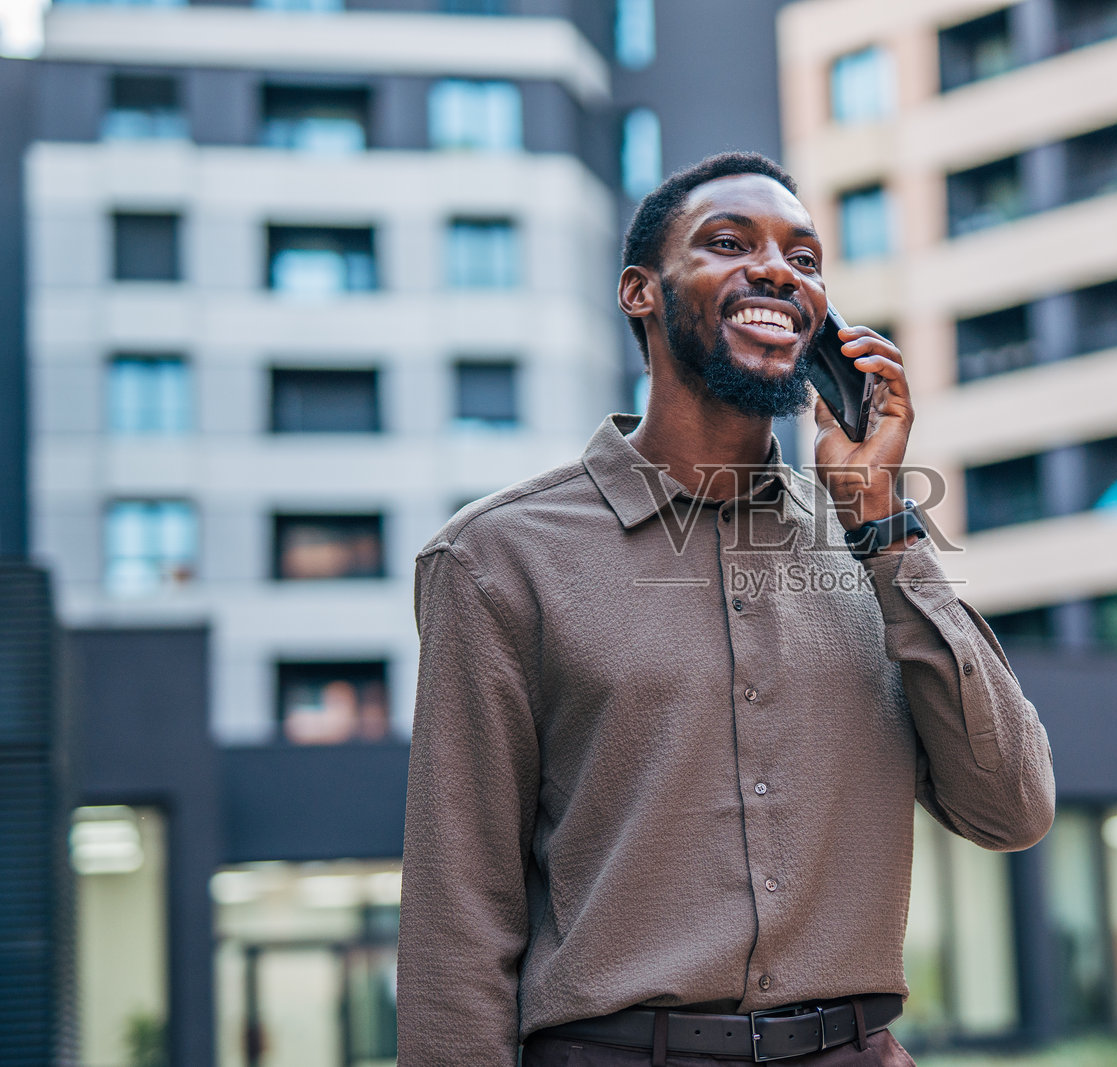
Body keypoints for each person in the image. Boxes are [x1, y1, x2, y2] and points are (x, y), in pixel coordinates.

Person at [397, 152, 1055, 1067]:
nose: (780, 271)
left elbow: (1013, 806)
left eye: (807, 259)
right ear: (641, 292)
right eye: (728, 243)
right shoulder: (496, 558)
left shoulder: (868, 545)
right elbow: (457, 919)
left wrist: (884, 522)